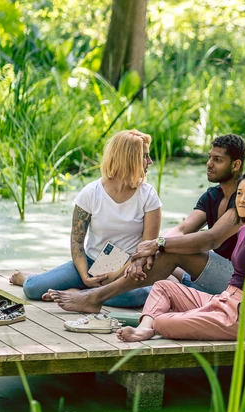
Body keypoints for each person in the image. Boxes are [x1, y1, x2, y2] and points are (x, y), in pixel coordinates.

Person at [44, 134, 245, 312]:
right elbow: (182, 228)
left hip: (243, 283)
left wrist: (156, 245)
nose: (209, 164)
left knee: (170, 250)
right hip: (207, 276)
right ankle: (93, 290)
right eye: (209, 158)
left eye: (217, 160)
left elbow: (211, 239)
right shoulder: (213, 195)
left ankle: (94, 297)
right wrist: (148, 251)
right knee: (167, 249)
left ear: (236, 165)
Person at [116, 171, 245, 342]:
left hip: (239, 317)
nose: (242, 199)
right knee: (163, 287)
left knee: (160, 321)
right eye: (239, 193)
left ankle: (158, 324)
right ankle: (145, 329)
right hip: (223, 299)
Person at [9, 130, 161, 307]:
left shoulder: (148, 196)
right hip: (90, 263)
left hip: (128, 270)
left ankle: (78, 294)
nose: (150, 161)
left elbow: (146, 249)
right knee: (33, 289)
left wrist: (115, 275)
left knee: (138, 296)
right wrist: (84, 275)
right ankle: (31, 279)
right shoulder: (90, 193)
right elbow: (77, 242)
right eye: (145, 156)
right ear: (129, 158)